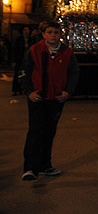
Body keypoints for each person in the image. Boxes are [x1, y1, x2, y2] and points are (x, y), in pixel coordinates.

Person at [18, 21, 79, 180]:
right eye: (49, 32)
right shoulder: (34, 51)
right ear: (43, 34)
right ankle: (30, 168)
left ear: (60, 34)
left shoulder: (67, 52)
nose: (53, 35)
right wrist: (29, 92)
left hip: (56, 99)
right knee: (35, 132)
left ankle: (45, 165)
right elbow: (23, 72)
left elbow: (74, 73)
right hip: (38, 98)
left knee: (49, 132)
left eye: (56, 32)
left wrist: (68, 92)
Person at [12, 25, 32, 95]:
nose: (26, 31)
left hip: (27, 59)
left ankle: (23, 89)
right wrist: (14, 60)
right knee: (17, 74)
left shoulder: (31, 39)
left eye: (27, 30)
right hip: (20, 59)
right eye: (25, 30)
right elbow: (15, 50)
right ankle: (15, 89)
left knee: (26, 74)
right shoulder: (19, 39)